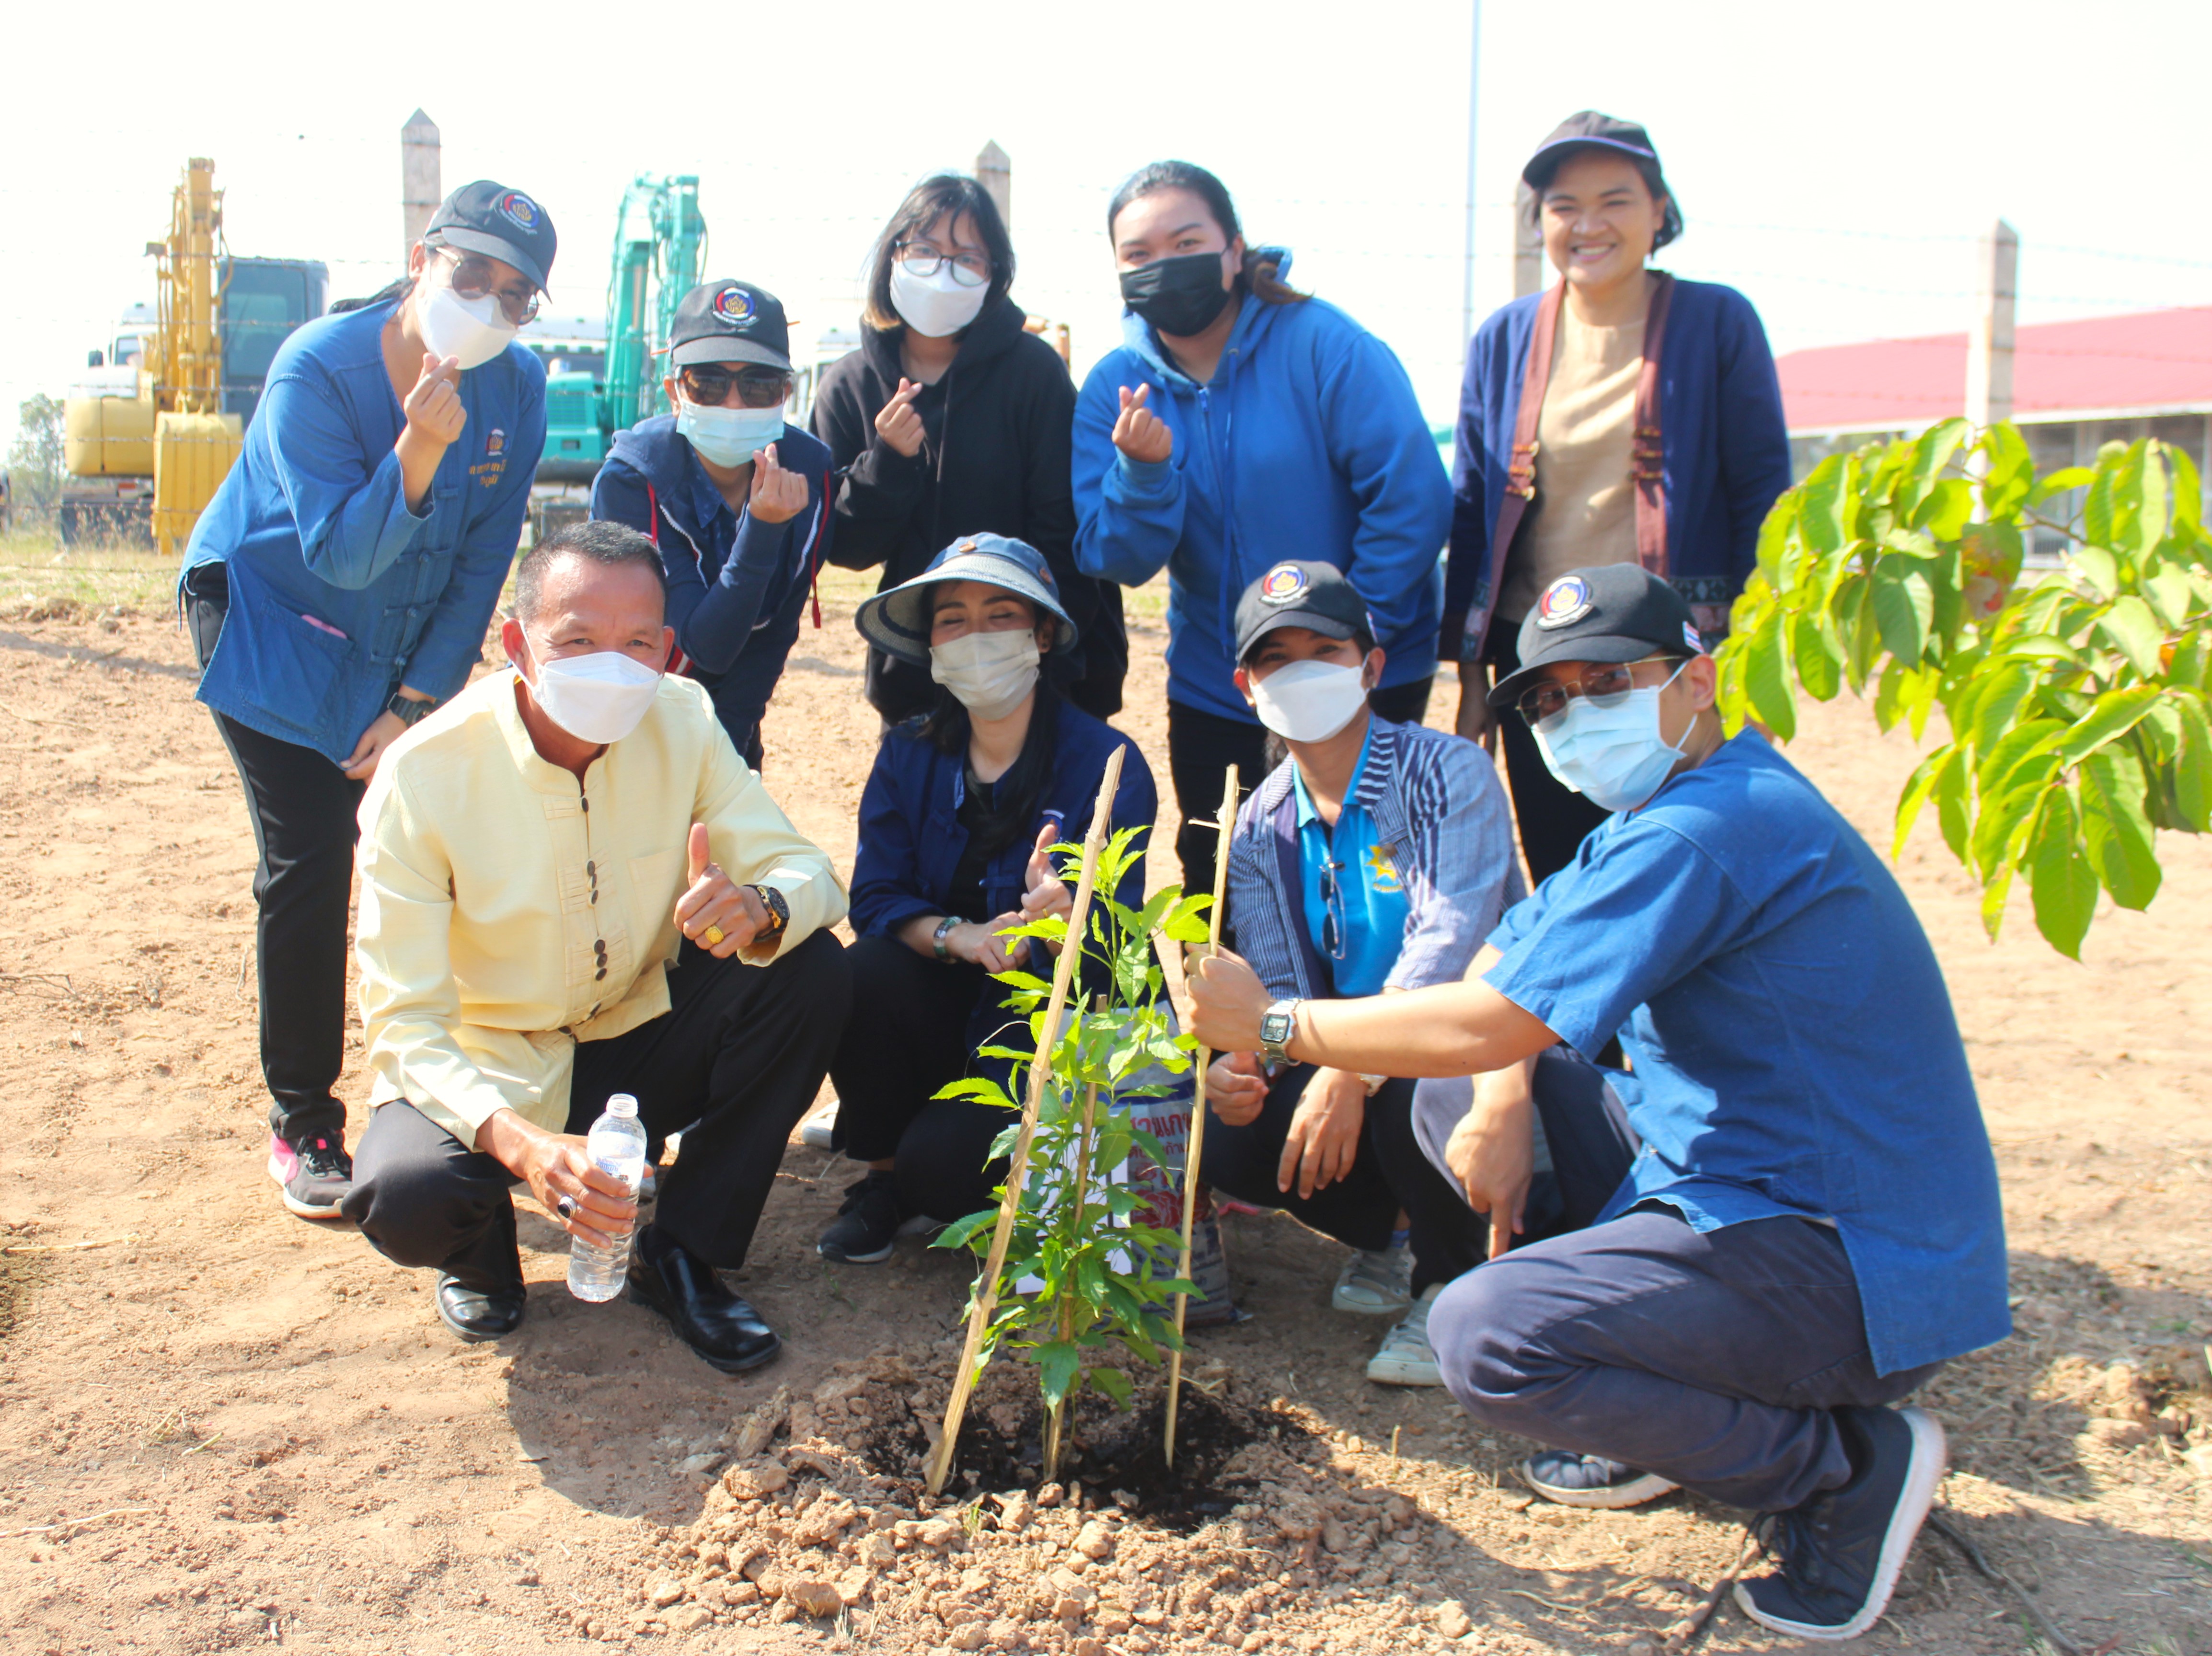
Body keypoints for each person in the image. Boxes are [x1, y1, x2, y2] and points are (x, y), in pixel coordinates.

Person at [1189, 564, 2008, 1643]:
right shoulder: (1668, 813)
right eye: (1549, 699)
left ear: (1697, 680)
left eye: (1606, 682)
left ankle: (1839, 1472)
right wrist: (1498, 1095)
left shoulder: (1703, 831)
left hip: (1849, 1261)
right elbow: (1504, 954)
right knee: (1454, 1103)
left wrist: (1278, 1028)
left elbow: (1483, 1010)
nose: (1575, 717)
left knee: (1486, 1337)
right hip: (1770, 1185)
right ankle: (1653, 1395)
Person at [342, 521, 850, 1370]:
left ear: (666, 651)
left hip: (635, 1030)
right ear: (517, 645)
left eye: (636, 642)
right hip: (494, 1057)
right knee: (405, 1192)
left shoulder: (683, 720)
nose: (611, 666)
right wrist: (518, 1141)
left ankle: (681, 1248)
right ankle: (480, 1255)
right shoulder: (425, 774)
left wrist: (758, 905)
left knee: (809, 969)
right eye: (577, 641)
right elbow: (403, 1024)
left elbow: (808, 872)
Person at [180, 180, 556, 1220]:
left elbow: (485, 556)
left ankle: (441, 1091)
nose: (484, 306)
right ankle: (303, 1121)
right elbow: (338, 558)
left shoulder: (516, 390)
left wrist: (419, 698)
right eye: (468, 275)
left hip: (401, 637)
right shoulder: (318, 367)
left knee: (430, 837)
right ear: (421, 255)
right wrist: (420, 448)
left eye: (514, 295)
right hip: (271, 616)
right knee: (314, 851)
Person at [1073, 160, 1452, 895]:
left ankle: (1369, 1016)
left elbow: (1410, 497)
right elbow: (1114, 555)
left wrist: (1352, 642)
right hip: (1222, 687)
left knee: (1375, 881)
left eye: (1187, 242)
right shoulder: (1115, 389)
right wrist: (1145, 474)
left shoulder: (1324, 346)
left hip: (1367, 671)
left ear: (1235, 249)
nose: (1165, 268)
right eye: (1139, 256)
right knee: (1226, 882)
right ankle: (1240, 1016)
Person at [1442, 113, 1791, 886]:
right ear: (1540, 221)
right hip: (1545, 664)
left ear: (1659, 210)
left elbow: (1763, 497)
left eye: (1615, 200)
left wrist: (1751, 659)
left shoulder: (1716, 322)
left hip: (1666, 657)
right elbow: (1472, 508)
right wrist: (1472, 679)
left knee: (1685, 861)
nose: (1587, 224)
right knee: (1570, 873)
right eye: (1563, 205)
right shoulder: (1502, 340)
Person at [1202, 561, 1518, 1387]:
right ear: (1246, 685)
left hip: (1473, 1056)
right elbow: (1276, 988)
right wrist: (1246, 1065)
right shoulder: (1259, 826)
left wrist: (1347, 1061)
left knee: (1418, 1075)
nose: (1300, 672)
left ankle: (1455, 1280)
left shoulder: (1447, 774)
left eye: (1325, 650)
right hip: (1345, 1050)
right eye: (1276, 659)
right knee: (1236, 1126)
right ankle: (1394, 1236)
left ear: (1371, 667)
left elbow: (1453, 946)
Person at [817, 534, 1155, 1263]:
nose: (976, 637)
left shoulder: (1107, 765)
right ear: (931, 647)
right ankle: (882, 1179)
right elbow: (876, 895)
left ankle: (930, 1170)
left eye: (1001, 615)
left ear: (1041, 635)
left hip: (1044, 1025)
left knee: (944, 1170)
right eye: (954, 619)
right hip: (940, 1002)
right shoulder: (908, 752)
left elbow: (1122, 948)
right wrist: (956, 937)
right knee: (859, 969)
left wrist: (1071, 915)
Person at [813, 174, 1126, 726]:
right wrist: (887, 464)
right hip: (915, 669)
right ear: (893, 256)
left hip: (1034, 666)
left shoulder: (1033, 374)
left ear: (994, 275)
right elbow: (846, 548)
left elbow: (1064, 528)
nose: (943, 271)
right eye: (926, 251)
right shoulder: (850, 384)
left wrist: (1043, 654)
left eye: (967, 258)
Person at [590, 279, 834, 770]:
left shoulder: (810, 474)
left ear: (785, 393)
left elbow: (772, 634)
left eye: (758, 385)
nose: (734, 404)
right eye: (708, 383)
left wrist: (731, 755)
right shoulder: (632, 481)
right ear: (674, 392)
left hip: (729, 722)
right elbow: (704, 645)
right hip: (624, 710)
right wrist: (762, 530)